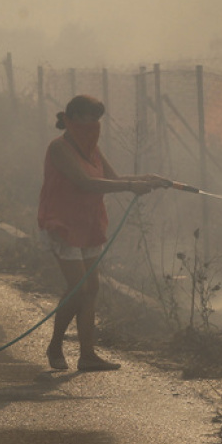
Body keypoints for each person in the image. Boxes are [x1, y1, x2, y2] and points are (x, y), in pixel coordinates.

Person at [38, 94, 168, 372]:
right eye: (87, 120)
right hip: (62, 224)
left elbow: (116, 179)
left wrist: (149, 179)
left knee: (91, 290)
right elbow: (86, 183)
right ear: (71, 120)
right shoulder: (59, 148)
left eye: (97, 121)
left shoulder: (93, 150)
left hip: (89, 224)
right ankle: (55, 345)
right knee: (78, 288)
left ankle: (87, 355)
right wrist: (131, 188)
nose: (93, 126)